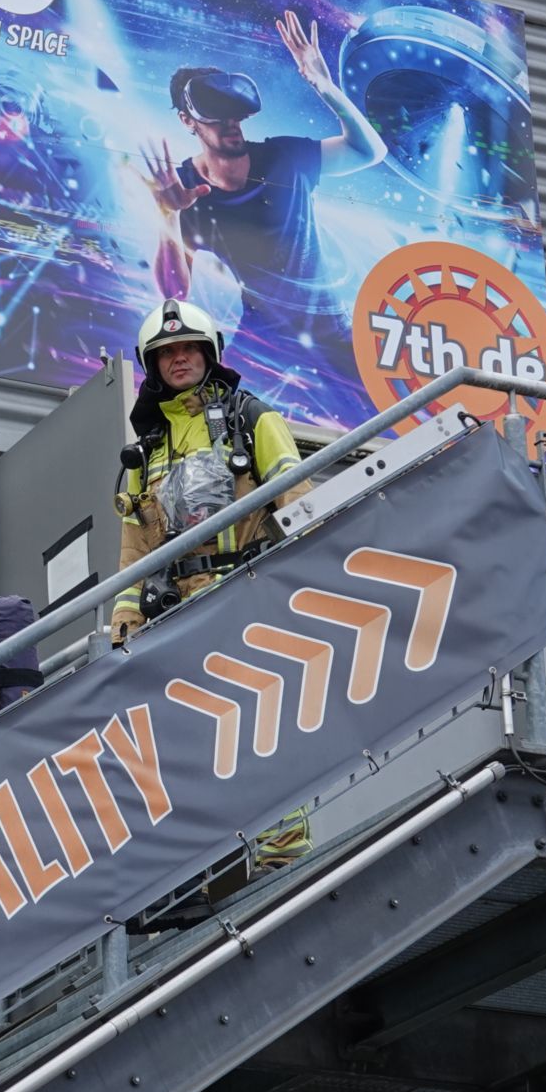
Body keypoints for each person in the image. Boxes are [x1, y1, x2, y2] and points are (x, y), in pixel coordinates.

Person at [111, 297, 313, 897]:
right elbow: (135, 548)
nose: (178, 358)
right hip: (178, 613)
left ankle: (281, 854)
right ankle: (211, 866)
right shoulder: (147, 450)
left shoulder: (254, 418)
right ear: (152, 365)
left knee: (262, 726)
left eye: (188, 348)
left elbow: (299, 499)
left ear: (209, 354)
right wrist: (123, 619)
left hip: (248, 593)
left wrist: (305, 578)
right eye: (166, 352)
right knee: (195, 742)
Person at [138, 11, 385, 361]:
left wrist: (325, 87)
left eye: (234, 115)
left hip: (331, 331)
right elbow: (175, 295)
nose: (231, 125)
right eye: (217, 117)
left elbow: (369, 152)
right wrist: (168, 214)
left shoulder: (284, 157)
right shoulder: (184, 190)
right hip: (263, 342)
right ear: (187, 121)